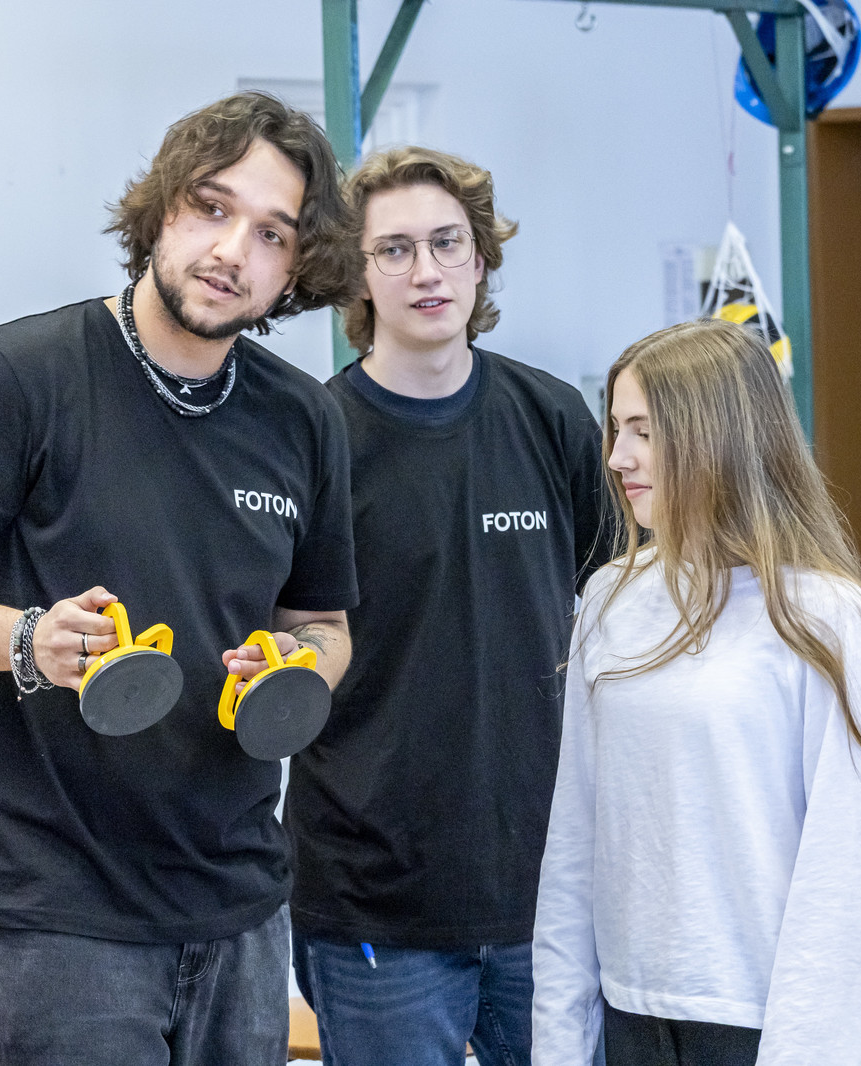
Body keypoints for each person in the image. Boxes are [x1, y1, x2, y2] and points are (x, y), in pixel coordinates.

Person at [0, 91, 358, 1066]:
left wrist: (296, 662)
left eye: (271, 233)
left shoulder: (304, 420)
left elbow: (326, 625)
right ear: (162, 206)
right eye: (211, 208)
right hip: (54, 916)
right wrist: (27, 639)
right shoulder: (20, 376)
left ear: (297, 266)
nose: (232, 251)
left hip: (240, 907)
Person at [283, 145, 611, 1066]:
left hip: (546, 889)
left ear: (480, 258)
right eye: (394, 250)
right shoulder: (312, 440)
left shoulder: (552, 419)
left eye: (447, 243)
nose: (425, 271)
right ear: (356, 273)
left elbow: (624, 614)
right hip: (374, 898)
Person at [531, 318, 861, 1066]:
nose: (616, 457)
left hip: (774, 1023)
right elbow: (576, 838)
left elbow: (853, 871)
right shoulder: (610, 597)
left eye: (643, 432)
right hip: (635, 1017)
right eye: (616, 429)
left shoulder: (824, 615)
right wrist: (559, 1040)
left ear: (715, 439)